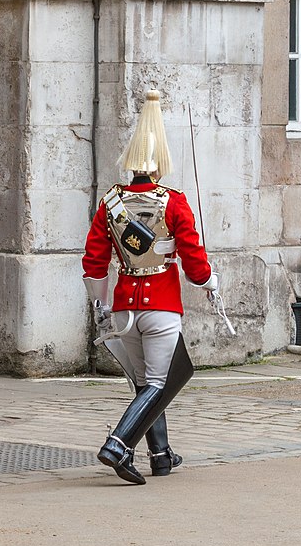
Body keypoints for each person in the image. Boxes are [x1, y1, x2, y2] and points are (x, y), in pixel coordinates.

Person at [82, 89, 218, 484]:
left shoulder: (110, 203)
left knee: (145, 384)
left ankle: (160, 454)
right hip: (161, 305)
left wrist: (101, 304)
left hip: (125, 306)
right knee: (160, 385)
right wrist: (210, 281)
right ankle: (118, 445)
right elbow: (194, 261)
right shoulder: (173, 202)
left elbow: (93, 262)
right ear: (159, 166)